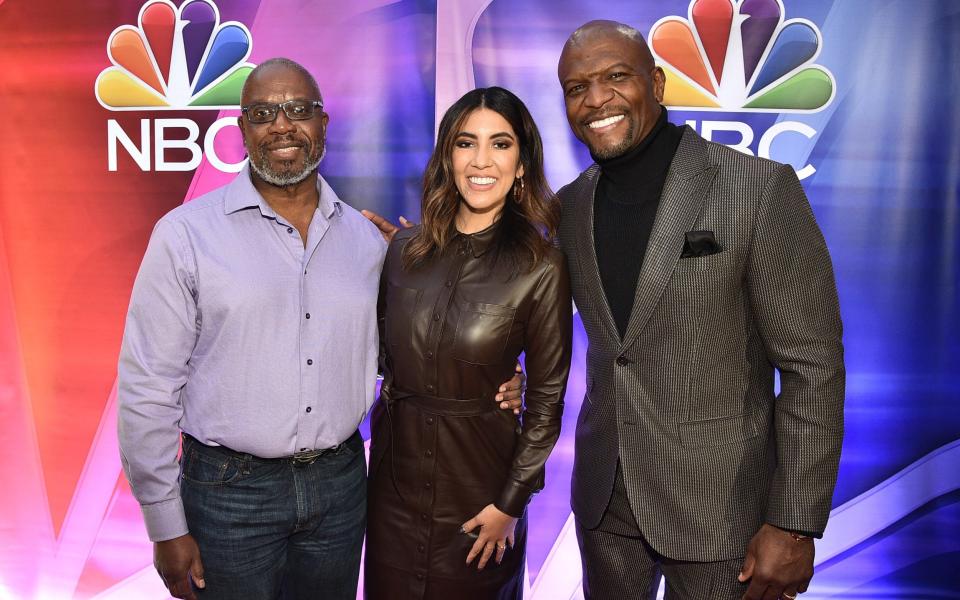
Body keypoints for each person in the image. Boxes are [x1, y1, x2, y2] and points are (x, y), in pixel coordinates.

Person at [116, 58, 526, 600]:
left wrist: (492, 375)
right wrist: (165, 523)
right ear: (241, 131)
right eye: (263, 113)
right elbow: (147, 388)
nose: (282, 126)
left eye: (298, 110)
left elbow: (405, 351)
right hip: (228, 493)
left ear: (323, 124)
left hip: (340, 487)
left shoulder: (367, 242)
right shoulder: (185, 236)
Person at [556, 21, 845, 600]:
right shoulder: (569, 205)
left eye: (616, 77)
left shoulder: (757, 187)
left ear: (657, 84)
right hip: (605, 503)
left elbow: (813, 363)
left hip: (724, 510)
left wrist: (793, 522)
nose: (596, 100)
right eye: (576, 87)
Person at [364, 86, 572, 600]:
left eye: (500, 145)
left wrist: (509, 505)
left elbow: (547, 404)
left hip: (481, 498)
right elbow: (374, 353)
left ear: (522, 163)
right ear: (447, 157)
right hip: (392, 492)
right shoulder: (403, 253)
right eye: (465, 143)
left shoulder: (541, 267)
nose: (482, 161)